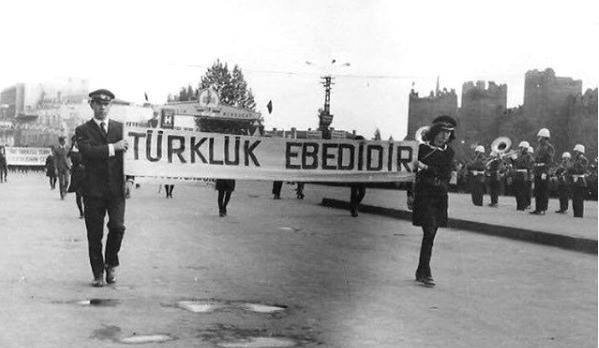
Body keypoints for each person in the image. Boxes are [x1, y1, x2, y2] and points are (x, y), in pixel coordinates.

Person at [75, 89, 129, 287]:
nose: (102, 107)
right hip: (93, 191)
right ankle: (98, 273)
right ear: (92, 105)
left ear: (110, 106)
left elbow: (130, 157)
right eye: (98, 103)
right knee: (94, 234)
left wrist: (130, 180)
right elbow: (88, 152)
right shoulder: (83, 130)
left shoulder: (121, 129)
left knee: (117, 227)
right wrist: (114, 147)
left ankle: (110, 263)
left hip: (116, 190)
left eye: (106, 104)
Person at [407, 115, 456, 287]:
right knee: (428, 231)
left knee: (431, 234)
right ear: (434, 133)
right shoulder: (421, 149)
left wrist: (425, 167)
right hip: (424, 194)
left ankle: (421, 270)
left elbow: (445, 173)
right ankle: (425, 272)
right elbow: (410, 173)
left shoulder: (448, 152)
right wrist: (409, 194)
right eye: (442, 132)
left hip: (440, 195)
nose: (445, 136)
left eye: (448, 133)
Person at [530, 128, 554, 215]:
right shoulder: (539, 147)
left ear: (544, 137)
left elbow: (549, 161)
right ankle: (538, 208)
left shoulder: (549, 147)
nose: (539, 138)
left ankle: (543, 209)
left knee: (543, 191)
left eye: (540, 137)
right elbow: (536, 160)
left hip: (544, 171)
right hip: (538, 171)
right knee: (537, 191)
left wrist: (545, 172)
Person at [509, 141, 533, 211]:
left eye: (521, 148)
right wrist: (511, 158)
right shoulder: (520, 155)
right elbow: (515, 164)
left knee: (522, 192)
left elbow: (524, 165)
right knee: (517, 191)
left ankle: (522, 206)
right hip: (518, 174)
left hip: (523, 175)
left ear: (524, 148)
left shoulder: (528, 156)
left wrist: (515, 158)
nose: (519, 149)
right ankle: (519, 206)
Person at [67, 136, 85, 218]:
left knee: (86, 195)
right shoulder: (72, 151)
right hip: (76, 175)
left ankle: (86, 211)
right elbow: (67, 158)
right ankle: (81, 212)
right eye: (75, 142)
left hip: (85, 174)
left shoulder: (85, 150)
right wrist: (69, 167)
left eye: (78, 142)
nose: (76, 143)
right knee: (78, 194)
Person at [568, 144, 588, 218]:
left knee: (579, 199)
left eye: (576, 151)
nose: (575, 153)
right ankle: (576, 214)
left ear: (580, 151)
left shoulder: (583, 160)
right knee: (574, 199)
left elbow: (581, 170)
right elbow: (571, 169)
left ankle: (579, 214)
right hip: (575, 181)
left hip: (580, 181)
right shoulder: (575, 160)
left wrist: (573, 169)